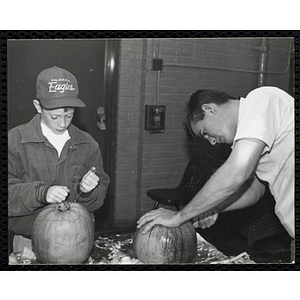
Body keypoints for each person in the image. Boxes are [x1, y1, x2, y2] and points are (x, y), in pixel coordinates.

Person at [137, 86, 294, 259]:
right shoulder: (252, 140)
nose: (212, 142)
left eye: (205, 132)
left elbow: (236, 172)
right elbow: (255, 190)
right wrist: (214, 207)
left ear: (209, 109)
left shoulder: (260, 100)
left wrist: (179, 216)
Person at [8, 66, 110, 253]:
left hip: (77, 241)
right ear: (38, 106)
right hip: (29, 244)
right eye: (54, 116)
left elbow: (98, 200)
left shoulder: (87, 144)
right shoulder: (14, 141)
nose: (63, 124)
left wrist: (88, 192)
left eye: (69, 115)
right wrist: (41, 193)